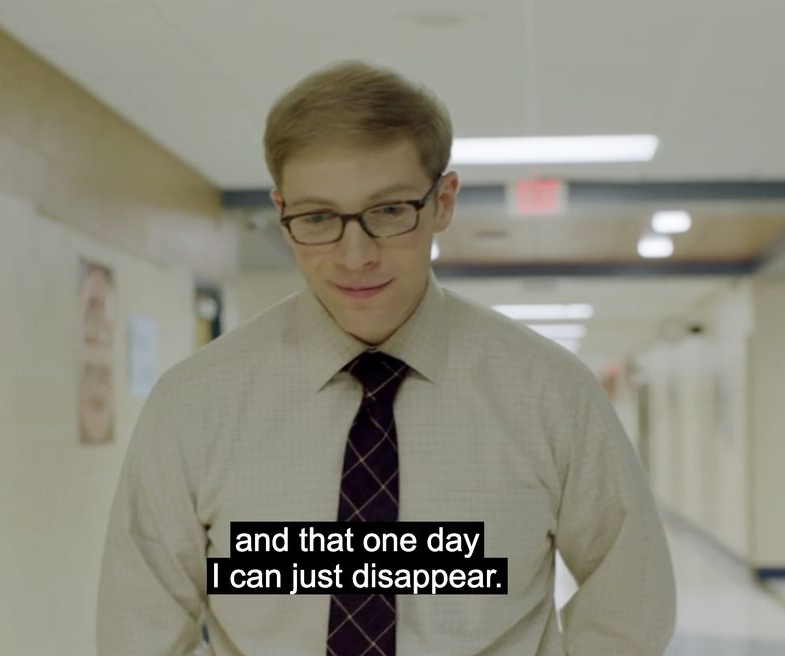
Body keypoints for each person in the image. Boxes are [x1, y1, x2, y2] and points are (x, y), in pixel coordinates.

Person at [97, 60, 676, 655]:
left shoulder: (551, 394)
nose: (355, 255)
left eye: (390, 211)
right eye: (318, 217)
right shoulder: (194, 404)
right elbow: (140, 623)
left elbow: (631, 592)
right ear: (282, 213)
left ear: (442, 202)